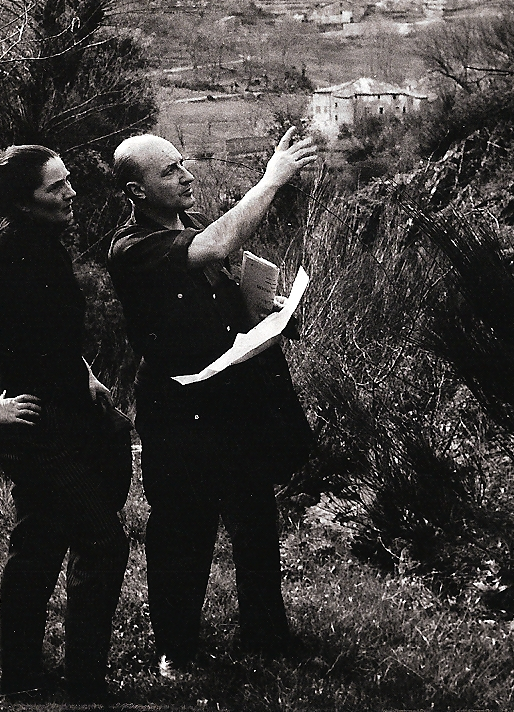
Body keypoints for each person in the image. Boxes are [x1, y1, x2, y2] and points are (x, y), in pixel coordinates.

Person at [107, 128, 318, 676]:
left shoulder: (197, 225)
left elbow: (228, 280)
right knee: (183, 530)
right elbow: (216, 249)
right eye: (169, 171)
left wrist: (272, 311)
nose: (187, 176)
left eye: (183, 163)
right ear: (135, 193)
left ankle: (268, 638)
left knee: (255, 519)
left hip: (236, 400)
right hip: (179, 409)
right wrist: (272, 180)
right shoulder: (132, 249)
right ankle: (176, 651)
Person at [0, 145, 132, 703]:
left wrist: (86, 374)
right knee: (103, 542)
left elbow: (45, 336)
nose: (71, 192)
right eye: (56, 188)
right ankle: (85, 685)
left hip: (69, 416)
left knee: (41, 545)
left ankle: (23, 679)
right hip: (38, 431)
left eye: (68, 182)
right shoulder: (8, 257)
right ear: (25, 203)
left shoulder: (45, 246)